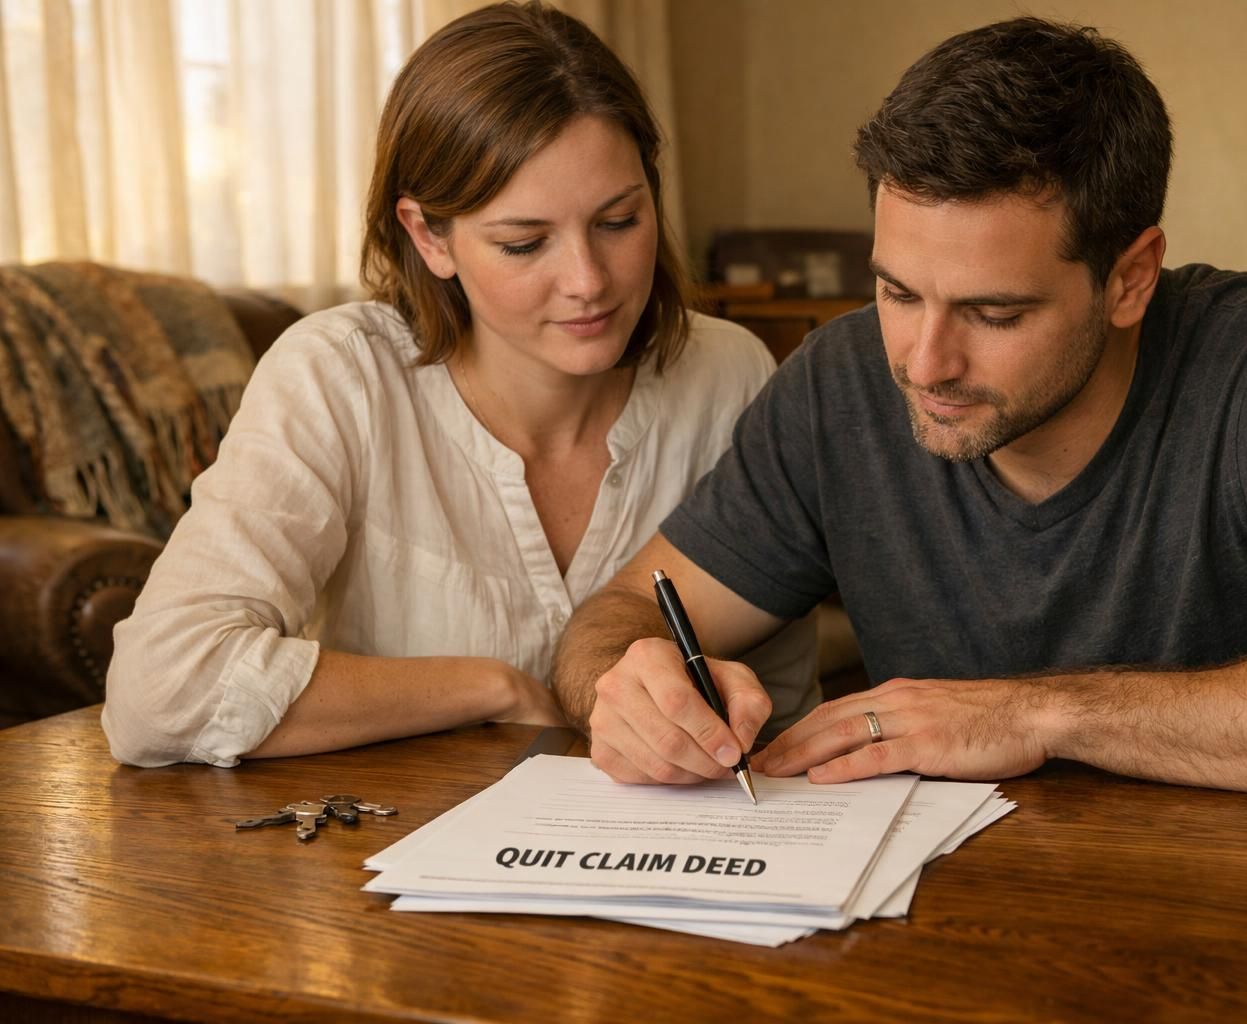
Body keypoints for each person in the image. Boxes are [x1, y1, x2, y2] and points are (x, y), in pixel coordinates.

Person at [550, 15, 1247, 800]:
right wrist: (621, 687)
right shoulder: (840, 383)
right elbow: (624, 608)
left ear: (1130, 279)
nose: (924, 361)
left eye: (995, 312)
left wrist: (1032, 714)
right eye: (896, 292)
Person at [101, 1, 818, 767]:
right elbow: (159, 692)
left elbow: (776, 701)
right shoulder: (340, 378)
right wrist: (493, 689)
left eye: (618, 221)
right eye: (523, 242)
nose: (588, 281)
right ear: (427, 235)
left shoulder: (730, 373)